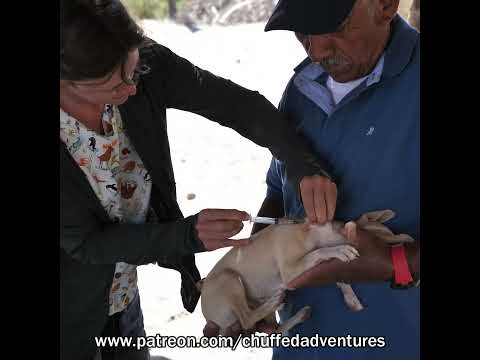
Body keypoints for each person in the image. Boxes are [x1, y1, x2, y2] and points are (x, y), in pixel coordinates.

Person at [59, 0, 337, 359]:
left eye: (134, 70)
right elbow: (87, 244)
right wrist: (186, 235)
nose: (131, 89)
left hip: (121, 293)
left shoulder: (143, 67)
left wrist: (302, 164)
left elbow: (237, 105)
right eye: (113, 87)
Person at [249, 0, 420, 359]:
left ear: (386, 6)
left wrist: (395, 263)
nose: (317, 51)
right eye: (302, 33)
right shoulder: (301, 89)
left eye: (335, 28)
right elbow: (278, 194)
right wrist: (255, 278)